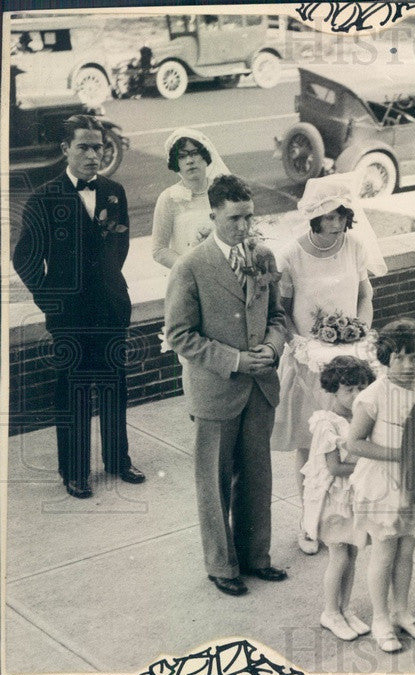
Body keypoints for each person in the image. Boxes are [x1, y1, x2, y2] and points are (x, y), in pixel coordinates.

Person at [164, 174, 288, 596]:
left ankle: (256, 557)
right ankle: (222, 565)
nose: (243, 227)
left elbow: (278, 316)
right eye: (235, 218)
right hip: (216, 390)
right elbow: (180, 335)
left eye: (249, 217)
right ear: (213, 213)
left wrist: (272, 349)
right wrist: (234, 360)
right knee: (214, 483)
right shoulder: (191, 266)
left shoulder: (264, 257)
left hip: (260, 389)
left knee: (257, 476)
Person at [13, 114, 146, 499]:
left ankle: (118, 460)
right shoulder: (44, 198)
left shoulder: (113, 192)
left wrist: (108, 287)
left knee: (114, 387)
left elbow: (119, 247)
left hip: (110, 311)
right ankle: (74, 471)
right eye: (84, 147)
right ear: (65, 150)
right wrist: (52, 301)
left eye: (99, 147)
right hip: (68, 317)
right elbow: (25, 259)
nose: (93, 155)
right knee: (73, 391)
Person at [271, 174, 386, 555]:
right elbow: (282, 312)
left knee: (352, 441)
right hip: (309, 364)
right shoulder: (291, 255)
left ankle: (347, 517)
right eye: (330, 217)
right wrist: (301, 345)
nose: (337, 223)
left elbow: (365, 296)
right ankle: (309, 522)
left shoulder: (353, 246)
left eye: (342, 215)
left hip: (350, 362)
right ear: (315, 218)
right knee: (311, 447)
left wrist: (360, 332)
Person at [347, 320, 415, 652]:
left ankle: (401, 611)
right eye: (399, 358)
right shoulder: (374, 395)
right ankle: (380, 618)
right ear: (385, 358)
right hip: (384, 483)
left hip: (414, 482)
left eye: (414, 357)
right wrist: (401, 454)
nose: (408, 365)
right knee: (385, 550)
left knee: (408, 548)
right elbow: (354, 443)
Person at [303, 356, 376, 641]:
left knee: (352, 554)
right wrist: (372, 465)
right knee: (339, 556)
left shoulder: (360, 418)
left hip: (354, 497)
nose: (357, 395)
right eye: (349, 390)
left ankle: (345, 608)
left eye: (361, 388)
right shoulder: (326, 423)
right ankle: (330, 611)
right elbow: (335, 467)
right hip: (334, 500)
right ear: (333, 389)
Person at [152, 128, 230, 269]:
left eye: (195, 153)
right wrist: (191, 268)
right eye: (182, 156)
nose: (190, 161)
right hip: (188, 275)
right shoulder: (168, 198)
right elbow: (159, 250)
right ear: (176, 163)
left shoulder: (224, 190)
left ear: (206, 157)